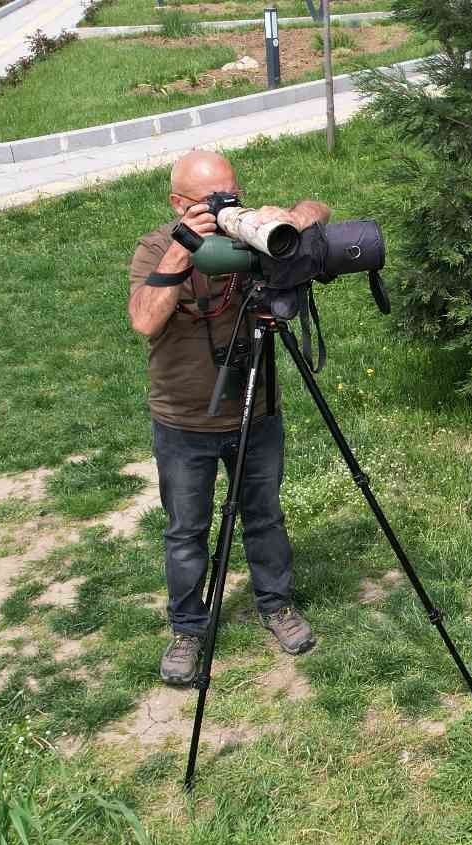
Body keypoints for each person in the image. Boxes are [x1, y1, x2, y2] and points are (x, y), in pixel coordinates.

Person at [127, 151, 331, 687]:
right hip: (183, 419)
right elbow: (145, 321)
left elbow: (320, 208)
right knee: (186, 531)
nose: (223, 207)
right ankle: (188, 628)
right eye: (209, 200)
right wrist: (184, 248)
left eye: (230, 195)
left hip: (254, 411)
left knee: (263, 515)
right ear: (178, 204)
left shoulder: (249, 235)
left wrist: (286, 221)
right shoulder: (155, 247)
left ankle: (276, 605)